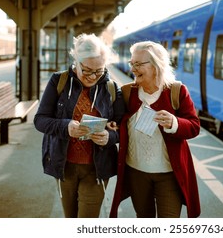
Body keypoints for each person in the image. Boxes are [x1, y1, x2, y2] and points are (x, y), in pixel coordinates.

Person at [33, 33, 125, 218]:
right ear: (76, 61)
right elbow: (40, 120)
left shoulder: (112, 88)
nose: (93, 76)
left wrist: (110, 137)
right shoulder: (58, 81)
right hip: (64, 165)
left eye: (99, 70)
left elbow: (123, 128)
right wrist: (65, 127)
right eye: (87, 70)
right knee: (71, 218)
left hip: (97, 169)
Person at [109, 41, 201, 218]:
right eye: (132, 63)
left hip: (169, 174)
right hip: (136, 173)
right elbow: (117, 122)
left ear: (157, 65)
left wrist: (174, 123)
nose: (133, 69)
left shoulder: (177, 91)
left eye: (138, 64)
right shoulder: (128, 92)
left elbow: (194, 126)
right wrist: (113, 126)